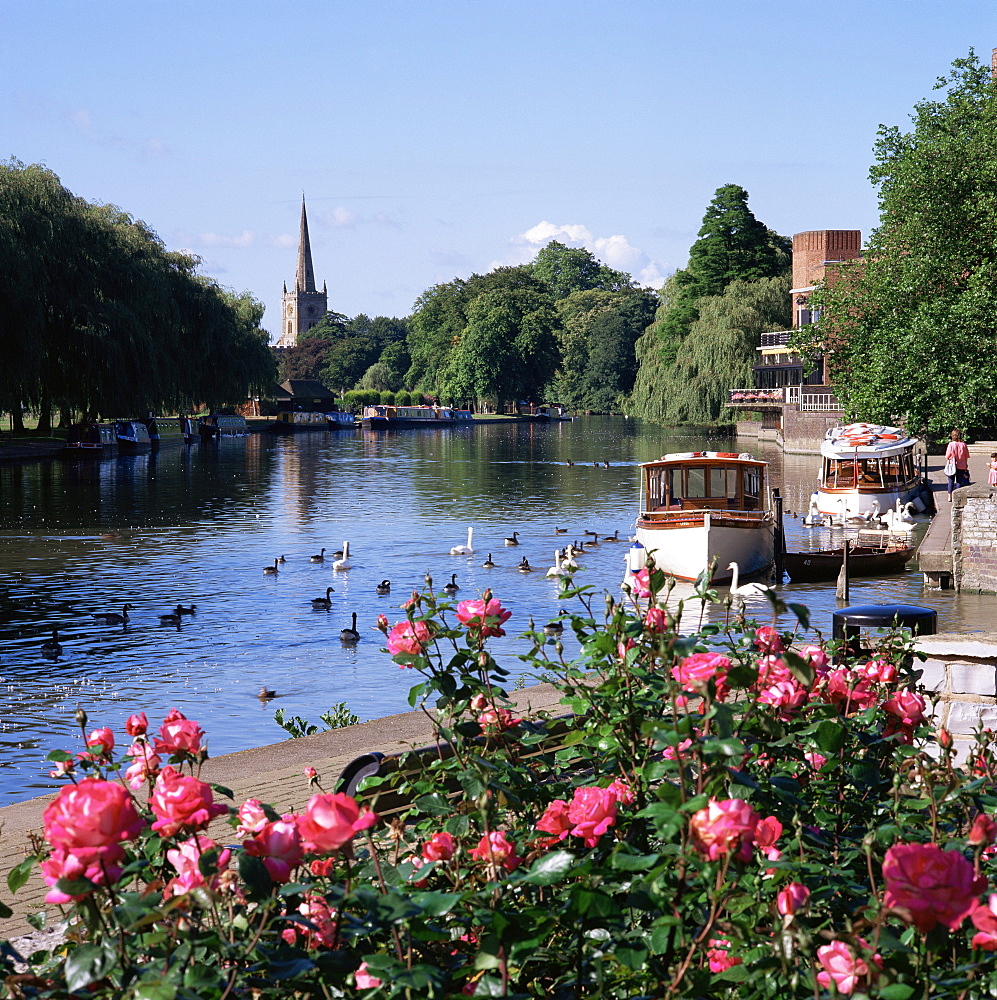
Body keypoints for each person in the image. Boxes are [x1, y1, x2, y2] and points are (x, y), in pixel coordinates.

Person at [945, 429, 970, 499]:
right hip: (962, 465)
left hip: (952, 465)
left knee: (951, 481)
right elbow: (966, 456)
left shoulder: (951, 444)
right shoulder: (964, 445)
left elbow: (947, 456)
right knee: (959, 481)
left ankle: (949, 496)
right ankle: (957, 496)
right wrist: (966, 465)